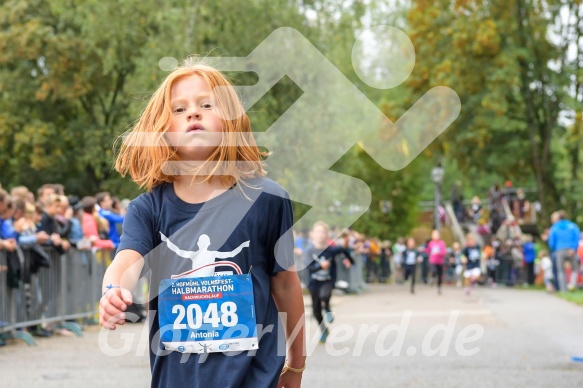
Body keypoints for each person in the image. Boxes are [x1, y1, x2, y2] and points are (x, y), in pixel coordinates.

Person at [99, 60, 305, 387]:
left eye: (206, 105)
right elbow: (127, 260)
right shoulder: (148, 209)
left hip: (255, 377)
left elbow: (286, 285)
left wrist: (296, 365)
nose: (193, 113)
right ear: (163, 130)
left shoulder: (268, 200)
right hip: (177, 377)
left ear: (231, 121)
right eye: (179, 109)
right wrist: (114, 290)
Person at [304, 221, 352, 343]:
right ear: (313, 234)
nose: (321, 235)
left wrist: (351, 260)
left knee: (325, 295)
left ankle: (328, 307)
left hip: (327, 280)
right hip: (314, 282)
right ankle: (323, 330)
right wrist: (321, 266)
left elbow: (342, 249)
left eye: (323, 232)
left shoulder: (331, 249)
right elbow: (309, 266)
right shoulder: (309, 250)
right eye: (318, 232)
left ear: (327, 235)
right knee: (316, 310)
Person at [548, 210, 581, 292]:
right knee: (574, 269)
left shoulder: (555, 227)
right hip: (571, 250)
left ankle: (563, 289)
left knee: (561, 270)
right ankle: (572, 285)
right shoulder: (572, 226)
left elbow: (551, 240)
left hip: (559, 250)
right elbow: (577, 237)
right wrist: (574, 248)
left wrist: (554, 249)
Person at [426, 230, 447, 295]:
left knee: (440, 275)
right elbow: (428, 251)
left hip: (440, 261)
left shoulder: (442, 243)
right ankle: (432, 278)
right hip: (432, 261)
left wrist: (439, 253)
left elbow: (444, 252)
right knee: (434, 270)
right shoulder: (431, 243)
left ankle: (439, 287)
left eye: (436, 235)